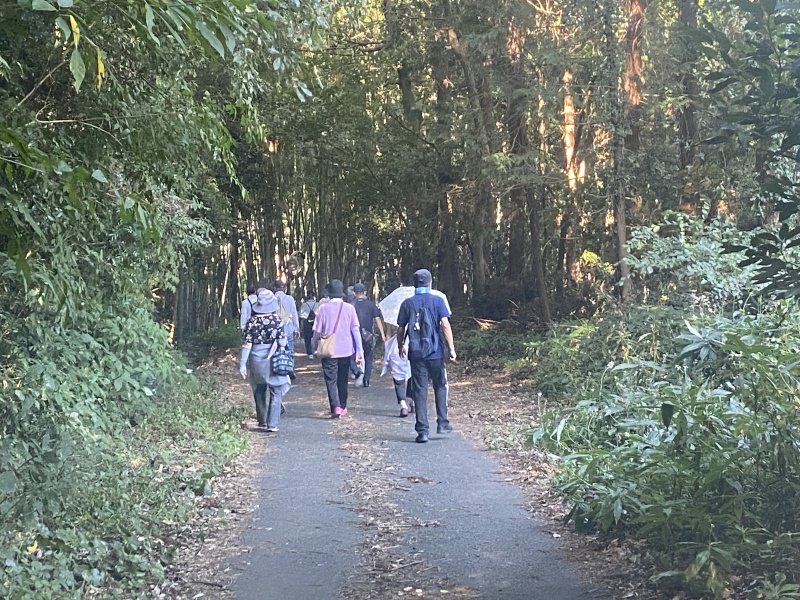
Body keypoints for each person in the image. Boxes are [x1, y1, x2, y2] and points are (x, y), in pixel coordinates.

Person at [397, 269, 457, 443]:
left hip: (416, 353)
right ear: (430, 283)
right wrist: (451, 349)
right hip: (435, 352)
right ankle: (442, 423)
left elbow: (401, 329)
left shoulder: (407, 303)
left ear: (414, 284)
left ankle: (422, 431)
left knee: (419, 390)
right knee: (440, 386)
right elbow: (445, 325)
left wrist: (401, 346)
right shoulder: (438, 300)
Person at [239, 288, 291, 431]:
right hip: (273, 359)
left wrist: (242, 364)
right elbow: (282, 342)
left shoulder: (252, 322)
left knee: (259, 388)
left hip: (255, 359)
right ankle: (272, 424)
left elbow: (247, 344)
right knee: (276, 390)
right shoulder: (277, 320)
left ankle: (262, 420)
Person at [312, 280, 363, 418]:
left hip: (329, 350)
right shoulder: (350, 308)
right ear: (342, 294)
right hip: (346, 349)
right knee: (342, 378)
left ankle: (335, 407)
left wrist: (314, 345)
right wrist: (359, 350)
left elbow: (317, 331)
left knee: (331, 379)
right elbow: (355, 330)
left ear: (329, 294)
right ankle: (343, 405)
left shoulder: (323, 308)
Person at [351, 282, 386, 387]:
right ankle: (366, 380)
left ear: (354, 293)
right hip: (367, 335)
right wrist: (382, 334)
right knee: (368, 357)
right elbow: (377, 319)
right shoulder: (371, 305)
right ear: (365, 292)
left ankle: (357, 372)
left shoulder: (350, 305)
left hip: (353, 334)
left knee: (351, 356)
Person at [381, 329, 413, 417]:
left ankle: (403, 405)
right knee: (414, 374)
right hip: (414, 345)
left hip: (397, 346)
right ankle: (412, 401)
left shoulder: (395, 321)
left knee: (398, 378)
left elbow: (388, 335)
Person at [273, 280, 300, 379]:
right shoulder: (289, 298)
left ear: (274, 288)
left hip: (275, 326)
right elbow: (294, 313)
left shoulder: (271, 298)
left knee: (275, 347)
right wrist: (296, 327)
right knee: (290, 348)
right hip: (288, 325)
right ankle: (290, 367)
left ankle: (276, 367)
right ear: (284, 288)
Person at [299, 290, 318, 359]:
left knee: (307, 338)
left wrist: (301, 326)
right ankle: (316, 350)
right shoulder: (317, 304)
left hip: (307, 323)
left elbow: (301, 316)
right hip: (316, 322)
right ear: (314, 296)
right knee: (316, 337)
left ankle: (309, 353)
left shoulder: (304, 305)